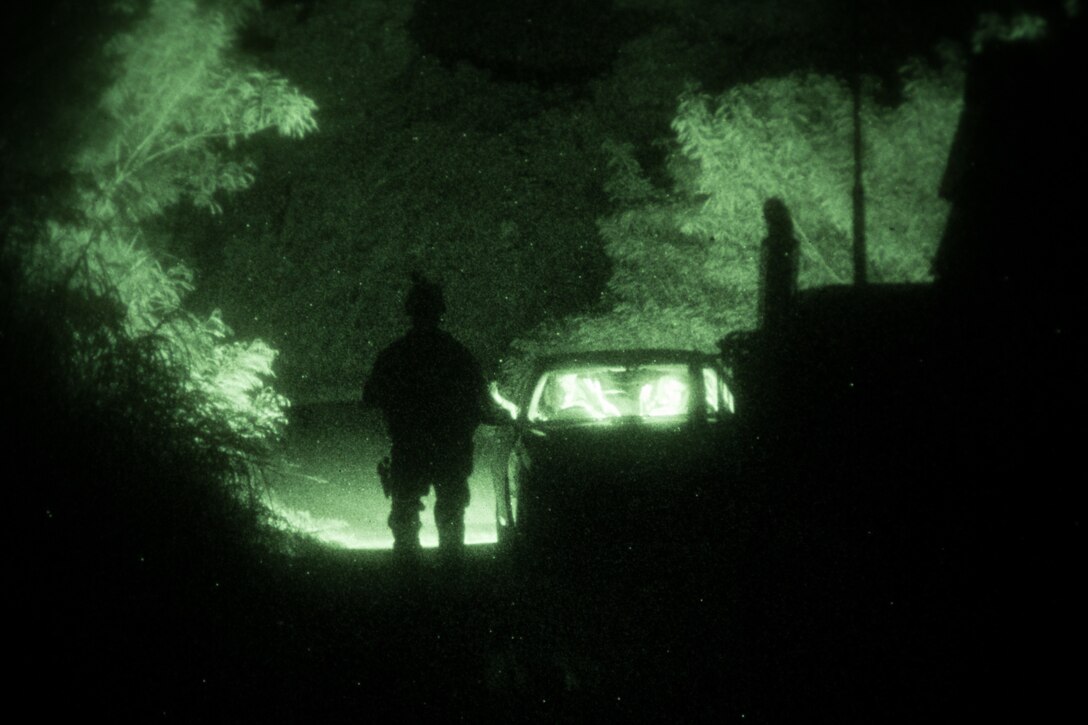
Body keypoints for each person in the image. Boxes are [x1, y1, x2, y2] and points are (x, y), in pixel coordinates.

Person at [361, 273, 489, 569]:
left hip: (410, 447)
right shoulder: (458, 354)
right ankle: (452, 582)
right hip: (450, 448)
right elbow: (480, 400)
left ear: (410, 312)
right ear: (439, 312)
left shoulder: (393, 355)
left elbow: (369, 399)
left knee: (405, 519)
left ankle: (409, 585)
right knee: (451, 517)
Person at [758, 197, 800, 333]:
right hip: (783, 295)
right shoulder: (791, 244)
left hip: (773, 294)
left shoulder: (768, 244)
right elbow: (793, 277)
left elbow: (762, 280)